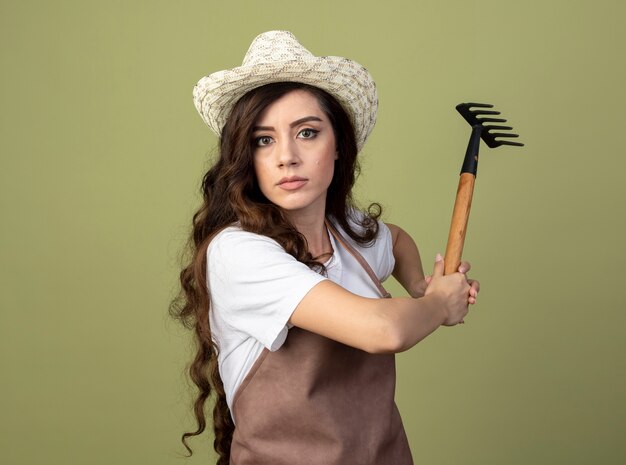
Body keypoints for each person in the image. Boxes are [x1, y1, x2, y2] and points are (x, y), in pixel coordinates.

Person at [170, 30, 480, 465]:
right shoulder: (238, 254)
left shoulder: (347, 231)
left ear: (338, 147)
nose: (286, 157)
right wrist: (440, 306)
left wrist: (421, 286)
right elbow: (383, 331)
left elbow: (395, 240)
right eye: (264, 140)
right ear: (247, 158)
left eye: (308, 132)